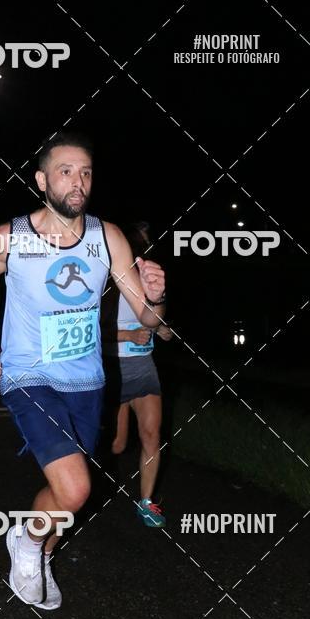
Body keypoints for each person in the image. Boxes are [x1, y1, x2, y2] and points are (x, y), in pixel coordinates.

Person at [0, 131, 166, 610]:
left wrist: (155, 296)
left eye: (86, 172)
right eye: (66, 171)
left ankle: (37, 550)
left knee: (64, 493)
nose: (78, 182)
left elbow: (148, 319)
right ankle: (30, 545)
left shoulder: (107, 237)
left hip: (88, 383)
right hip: (29, 376)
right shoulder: (10, 237)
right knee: (76, 488)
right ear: (41, 180)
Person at [102, 223, 172, 527]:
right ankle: (84, 483)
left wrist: (163, 329)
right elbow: (93, 336)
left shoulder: (148, 288)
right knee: (116, 444)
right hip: (114, 371)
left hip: (144, 369)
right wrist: (128, 335)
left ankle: (146, 503)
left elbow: (160, 326)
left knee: (151, 436)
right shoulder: (106, 287)